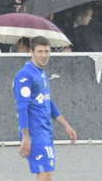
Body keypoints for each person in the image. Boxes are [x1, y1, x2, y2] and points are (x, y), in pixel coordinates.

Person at [15, 37, 78, 179]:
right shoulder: (25, 75)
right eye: (40, 51)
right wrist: (26, 136)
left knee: (46, 172)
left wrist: (66, 126)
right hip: (35, 132)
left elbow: (48, 102)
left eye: (47, 51)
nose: (44, 55)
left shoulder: (41, 73)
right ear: (31, 52)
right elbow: (22, 107)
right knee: (45, 172)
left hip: (45, 130)